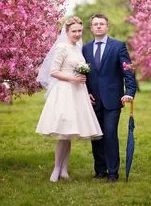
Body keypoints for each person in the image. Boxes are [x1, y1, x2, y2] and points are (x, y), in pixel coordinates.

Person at [36, 16, 103, 182]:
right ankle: (56, 169)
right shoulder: (62, 47)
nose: (77, 34)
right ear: (66, 32)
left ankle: (64, 170)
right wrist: (73, 79)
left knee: (69, 131)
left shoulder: (78, 49)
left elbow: (81, 73)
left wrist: (84, 89)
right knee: (63, 133)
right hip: (65, 91)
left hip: (78, 93)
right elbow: (53, 71)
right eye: (74, 31)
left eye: (80, 31)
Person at [82, 13, 137, 183]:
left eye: (101, 24)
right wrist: (86, 92)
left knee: (110, 134)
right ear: (91, 28)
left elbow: (127, 71)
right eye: (95, 24)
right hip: (93, 100)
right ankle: (100, 171)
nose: (98, 26)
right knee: (96, 136)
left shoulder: (118, 46)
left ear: (107, 27)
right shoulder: (85, 49)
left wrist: (129, 91)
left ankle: (113, 172)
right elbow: (83, 74)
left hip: (113, 99)